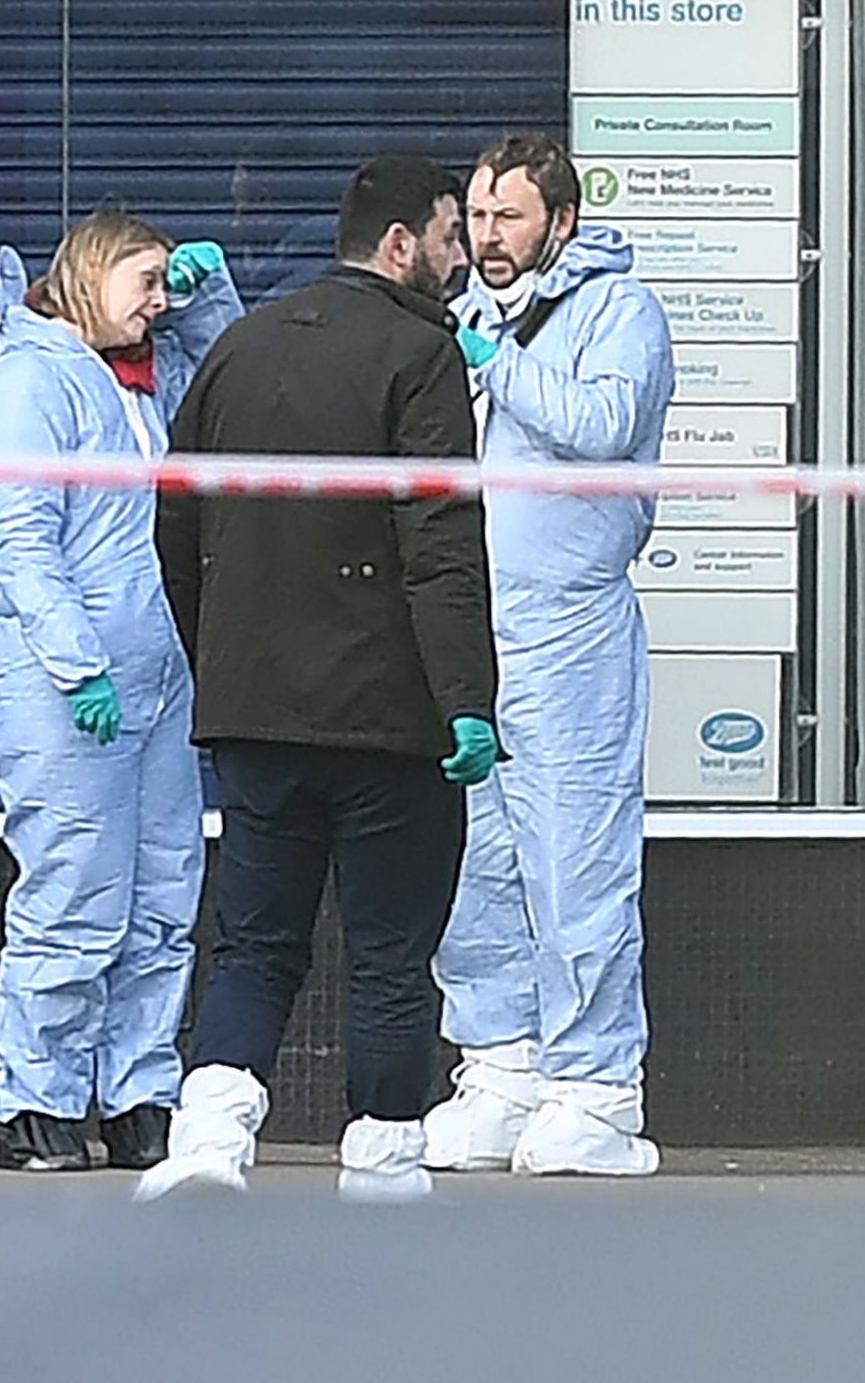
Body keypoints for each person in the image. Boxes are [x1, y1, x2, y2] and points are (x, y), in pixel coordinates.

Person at [138, 154, 499, 1203]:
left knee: (253, 941)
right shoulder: (420, 356)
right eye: (446, 236)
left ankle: (207, 1139)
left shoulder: (240, 349)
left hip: (255, 715)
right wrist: (465, 701)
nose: (457, 256)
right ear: (398, 246)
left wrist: (223, 659)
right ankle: (382, 1161)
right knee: (389, 951)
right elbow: (439, 539)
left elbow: (176, 519)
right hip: (389, 718)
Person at [0, 215, 243, 1174]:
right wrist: (77, 666)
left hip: (155, 680)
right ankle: (35, 1101)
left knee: (163, 895)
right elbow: (22, 543)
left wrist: (208, 304)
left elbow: (228, 400)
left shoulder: (133, 385)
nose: (159, 302)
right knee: (73, 894)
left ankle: (136, 1094)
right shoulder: (28, 386)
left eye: (167, 286)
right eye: (147, 280)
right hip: (60, 681)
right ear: (88, 274)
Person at [426, 134, 675, 1178]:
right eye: (477, 218)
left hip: (569, 626)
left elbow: (605, 422)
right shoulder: (460, 312)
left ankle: (594, 1087)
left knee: (575, 856)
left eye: (507, 218)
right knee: (474, 860)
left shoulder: (618, 312)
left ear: (558, 221)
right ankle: (501, 1061)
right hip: (470, 625)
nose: (486, 239)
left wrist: (501, 363)